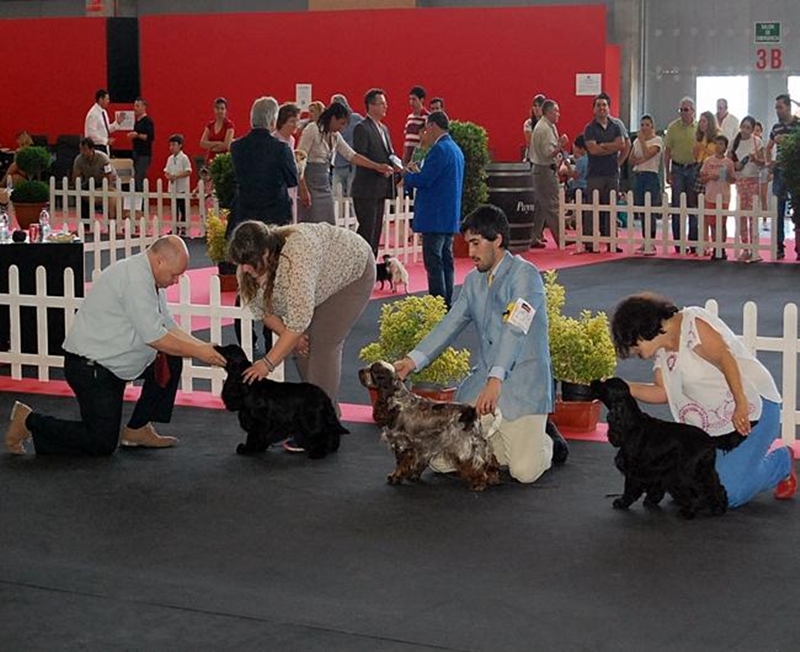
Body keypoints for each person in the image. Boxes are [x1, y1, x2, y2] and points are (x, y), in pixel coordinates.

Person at [5, 236, 227, 456]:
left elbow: (167, 325)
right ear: (160, 261)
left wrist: (205, 347)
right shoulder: (135, 279)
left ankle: (137, 428)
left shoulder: (148, 276)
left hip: (112, 363)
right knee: (101, 443)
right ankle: (29, 421)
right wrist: (199, 351)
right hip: (91, 368)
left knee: (169, 359)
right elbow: (155, 337)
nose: (176, 280)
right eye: (175, 274)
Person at [393, 204, 565, 483]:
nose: (470, 252)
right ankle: (502, 440)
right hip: (484, 386)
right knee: (441, 463)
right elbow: (450, 324)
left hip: (522, 385)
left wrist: (496, 380)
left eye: (475, 243)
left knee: (524, 472)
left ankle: (548, 441)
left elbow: (515, 329)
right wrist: (411, 361)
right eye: (467, 243)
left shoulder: (526, 275)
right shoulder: (473, 281)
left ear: (497, 239)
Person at [609, 293, 796, 507]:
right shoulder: (663, 350)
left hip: (754, 411)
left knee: (729, 493)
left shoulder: (693, 325)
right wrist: (620, 387)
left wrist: (741, 404)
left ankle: (780, 463)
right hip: (716, 427)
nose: (634, 352)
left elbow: (726, 359)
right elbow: (663, 392)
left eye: (633, 346)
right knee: (694, 487)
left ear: (641, 331)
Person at [228, 220, 376, 422]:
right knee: (302, 347)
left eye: (248, 263)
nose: (244, 269)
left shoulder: (297, 258)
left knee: (323, 345)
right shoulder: (246, 265)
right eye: (240, 263)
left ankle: (322, 421)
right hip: (320, 280)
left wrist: (266, 364)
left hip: (352, 272)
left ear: (265, 253)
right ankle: (320, 414)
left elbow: (297, 324)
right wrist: (293, 339)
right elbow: (263, 312)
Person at [402, 111, 464, 308]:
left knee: (434, 263)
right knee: (446, 261)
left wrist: (407, 175)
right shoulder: (455, 149)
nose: (426, 132)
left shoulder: (439, 150)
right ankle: (446, 302)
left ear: (434, 126)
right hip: (448, 215)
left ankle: (436, 305)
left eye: (428, 127)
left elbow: (425, 180)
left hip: (434, 216)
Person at [298, 101, 392, 225]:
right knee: (312, 224)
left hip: (325, 184)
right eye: (341, 123)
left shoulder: (335, 136)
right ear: (332, 118)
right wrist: (303, 188)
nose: (342, 128)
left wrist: (377, 166)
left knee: (328, 224)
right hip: (310, 183)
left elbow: (351, 155)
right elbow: (300, 159)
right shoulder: (312, 130)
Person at [227, 96, 297, 235]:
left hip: (244, 213)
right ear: (272, 120)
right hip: (274, 215)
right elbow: (292, 180)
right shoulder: (281, 148)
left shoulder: (236, 146)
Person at [351, 88, 401, 254]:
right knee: (367, 230)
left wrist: (396, 166)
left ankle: (371, 265)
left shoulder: (384, 129)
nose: (385, 107)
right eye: (382, 104)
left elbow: (389, 153)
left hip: (381, 187)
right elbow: (359, 156)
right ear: (371, 106)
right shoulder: (362, 128)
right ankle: (359, 265)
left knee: (376, 231)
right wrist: (378, 166)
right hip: (366, 188)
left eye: (385, 104)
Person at [583, 93, 626, 252]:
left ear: (608, 108)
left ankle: (611, 242)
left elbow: (621, 145)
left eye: (604, 105)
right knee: (592, 208)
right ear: (594, 109)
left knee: (611, 208)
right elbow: (592, 150)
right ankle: (589, 242)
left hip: (612, 173)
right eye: (598, 105)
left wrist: (602, 146)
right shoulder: (589, 128)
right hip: (595, 174)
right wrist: (611, 146)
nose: (602, 108)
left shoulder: (616, 126)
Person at [529, 98, 569, 248]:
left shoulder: (547, 126)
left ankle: (534, 236)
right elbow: (548, 153)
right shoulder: (545, 129)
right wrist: (560, 145)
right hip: (544, 170)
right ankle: (561, 238)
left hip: (541, 170)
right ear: (549, 112)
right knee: (552, 205)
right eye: (556, 111)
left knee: (540, 206)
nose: (558, 114)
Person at [766, 93, 800, 260]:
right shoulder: (775, 127)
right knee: (778, 209)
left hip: (795, 170)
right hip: (779, 170)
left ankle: (799, 246)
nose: (778, 110)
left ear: (788, 107)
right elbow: (768, 147)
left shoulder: (798, 125)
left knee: (798, 209)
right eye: (776, 108)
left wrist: (785, 139)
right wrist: (769, 163)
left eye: (780, 107)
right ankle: (778, 245)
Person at [664, 97, 699, 253]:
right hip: (677, 169)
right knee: (677, 206)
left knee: (693, 206)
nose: (683, 113)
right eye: (681, 110)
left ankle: (693, 242)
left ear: (693, 111)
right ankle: (678, 243)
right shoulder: (672, 127)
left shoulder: (699, 128)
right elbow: (667, 152)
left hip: (693, 169)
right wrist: (667, 172)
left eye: (686, 110)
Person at [730, 116, 764, 262]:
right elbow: (729, 162)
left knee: (753, 215)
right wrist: (735, 167)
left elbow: (763, 163)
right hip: (740, 181)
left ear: (752, 129)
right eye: (743, 126)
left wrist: (755, 159)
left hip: (754, 180)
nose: (744, 130)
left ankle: (754, 247)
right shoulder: (733, 142)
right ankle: (745, 247)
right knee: (742, 215)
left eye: (748, 127)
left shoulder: (757, 142)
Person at [629, 114, 663, 255]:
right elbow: (631, 159)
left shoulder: (658, 140)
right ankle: (645, 240)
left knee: (650, 210)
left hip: (651, 176)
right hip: (640, 175)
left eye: (647, 125)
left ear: (652, 127)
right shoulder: (636, 141)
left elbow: (649, 153)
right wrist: (640, 159)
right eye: (642, 125)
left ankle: (651, 241)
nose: (644, 128)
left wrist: (643, 142)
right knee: (642, 210)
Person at [698, 134, 734, 260]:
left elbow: (733, 179)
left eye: (721, 144)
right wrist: (710, 177)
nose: (718, 146)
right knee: (712, 224)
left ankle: (722, 247)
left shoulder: (728, 162)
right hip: (710, 195)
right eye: (717, 144)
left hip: (724, 196)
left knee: (722, 224)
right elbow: (701, 178)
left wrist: (728, 176)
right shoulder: (708, 161)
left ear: (725, 147)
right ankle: (715, 247)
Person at [72, 137, 117, 220]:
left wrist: (105, 189)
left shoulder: (103, 158)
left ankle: (111, 221)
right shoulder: (78, 160)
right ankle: (86, 222)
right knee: (83, 196)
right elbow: (76, 177)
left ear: (92, 149)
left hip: (107, 180)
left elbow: (108, 175)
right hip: (91, 181)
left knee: (110, 198)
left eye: (85, 150)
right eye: (81, 150)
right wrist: (79, 190)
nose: (82, 152)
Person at [272, 102, 302, 221]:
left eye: (297, 121)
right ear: (282, 122)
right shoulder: (274, 140)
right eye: (292, 121)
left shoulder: (292, 140)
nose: (296, 125)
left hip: (291, 188)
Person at [330, 94, 362, 198]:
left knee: (350, 196)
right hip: (338, 164)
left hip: (351, 165)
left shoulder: (356, 119)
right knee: (336, 196)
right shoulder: (332, 122)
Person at [126, 97, 155, 192]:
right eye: (134, 106)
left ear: (144, 107)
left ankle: (143, 203)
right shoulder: (137, 121)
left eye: (137, 106)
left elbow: (150, 137)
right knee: (136, 178)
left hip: (144, 154)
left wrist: (137, 135)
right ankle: (139, 203)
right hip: (136, 153)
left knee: (140, 178)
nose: (135, 108)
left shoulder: (148, 121)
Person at [164, 134, 192, 227]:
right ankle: (174, 226)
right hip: (172, 188)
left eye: (174, 145)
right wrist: (169, 176)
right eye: (170, 145)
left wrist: (176, 176)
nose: (171, 147)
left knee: (183, 208)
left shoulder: (184, 158)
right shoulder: (170, 158)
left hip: (182, 188)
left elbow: (188, 171)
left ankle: (183, 226)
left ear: (180, 145)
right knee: (174, 209)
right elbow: (166, 171)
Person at [84, 89, 124, 155]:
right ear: (100, 99)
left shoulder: (104, 112)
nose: (108, 101)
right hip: (95, 148)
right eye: (107, 99)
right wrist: (105, 141)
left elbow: (106, 129)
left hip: (104, 147)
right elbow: (91, 135)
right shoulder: (93, 114)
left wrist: (117, 123)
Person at [199, 97, 235, 166]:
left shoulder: (229, 125)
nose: (220, 111)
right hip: (210, 159)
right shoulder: (210, 125)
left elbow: (226, 145)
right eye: (217, 108)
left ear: (226, 110)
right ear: (214, 110)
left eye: (222, 108)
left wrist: (210, 145)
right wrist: (217, 143)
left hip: (224, 160)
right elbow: (202, 143)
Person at [402, 86, 428, 166]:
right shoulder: (409, 118)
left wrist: (417, 159)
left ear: (421, 100)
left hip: (419, 158)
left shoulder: (427, 118)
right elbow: (407, 140)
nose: (411, 102)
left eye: (414, 99)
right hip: (407, 158)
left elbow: (427, 141)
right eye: (410, 99)